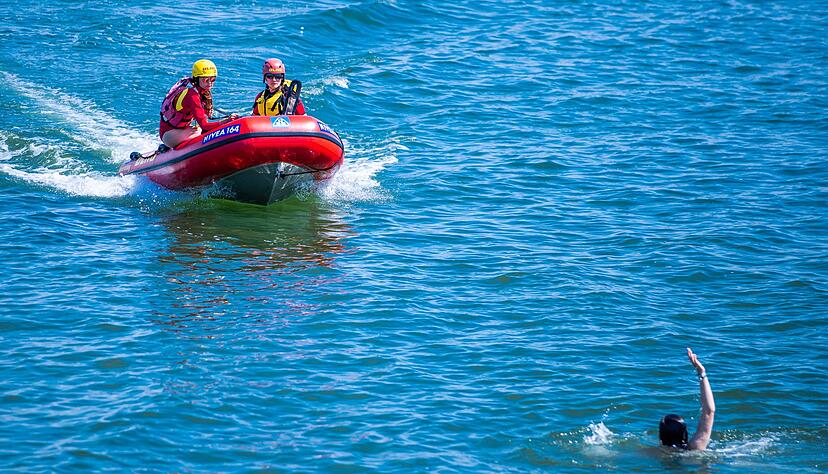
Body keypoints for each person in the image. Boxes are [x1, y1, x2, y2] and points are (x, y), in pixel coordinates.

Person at [159, 59, 238, 149]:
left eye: (213, 79)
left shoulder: (203, 91)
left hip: (183, 129)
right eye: (205, 80)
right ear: (197, 79)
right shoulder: (192, 95)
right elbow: (205, 126)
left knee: (199, 130)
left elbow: (206, 118)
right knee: (200, 132)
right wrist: (227, 121)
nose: (209, 83)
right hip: (169, 133)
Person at [659, 348, 716, 451]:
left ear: (661, 435)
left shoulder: (653, 453)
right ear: (684, 432)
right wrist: (702, 373)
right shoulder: (695, 447)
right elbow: (709, 411)